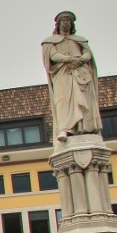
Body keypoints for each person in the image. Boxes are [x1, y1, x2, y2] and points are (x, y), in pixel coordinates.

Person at [42, 10, 100, 144]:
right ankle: (64, 129)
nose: (66, 23)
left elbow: (88, 53)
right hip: (63, 74)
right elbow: (53, 56)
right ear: (58, 24)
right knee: (62, 100)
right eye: (63, 20)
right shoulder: (50, 42)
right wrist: (69, 59)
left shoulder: (79, 40)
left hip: (80, 74)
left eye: (68, 21)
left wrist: (81, 59)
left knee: (84, 100)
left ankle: (83, 127)